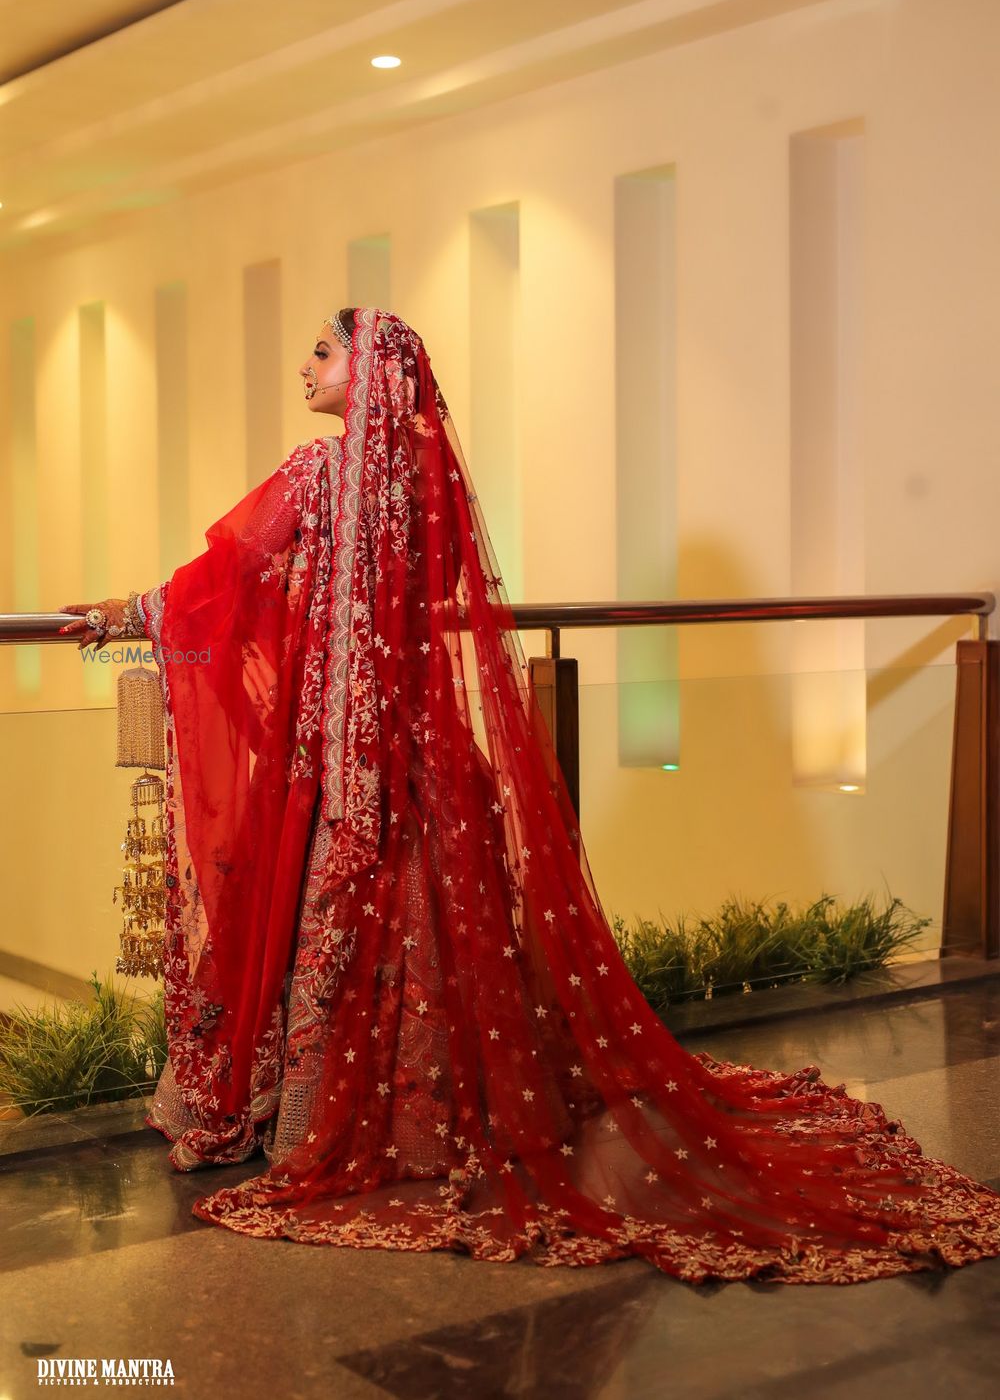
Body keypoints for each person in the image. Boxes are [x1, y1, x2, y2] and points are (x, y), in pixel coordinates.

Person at [60, 306, 1000, 1282]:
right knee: (426, 929)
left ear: (368, 373)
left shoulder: (319, 470)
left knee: (349, 923)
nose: (305, 368)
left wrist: (128, 614)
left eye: (322, 351)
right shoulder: (422, 478)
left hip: (343, 762)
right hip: (421, 759)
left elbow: (229, 573)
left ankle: (327, 1125)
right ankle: (446, 1120)